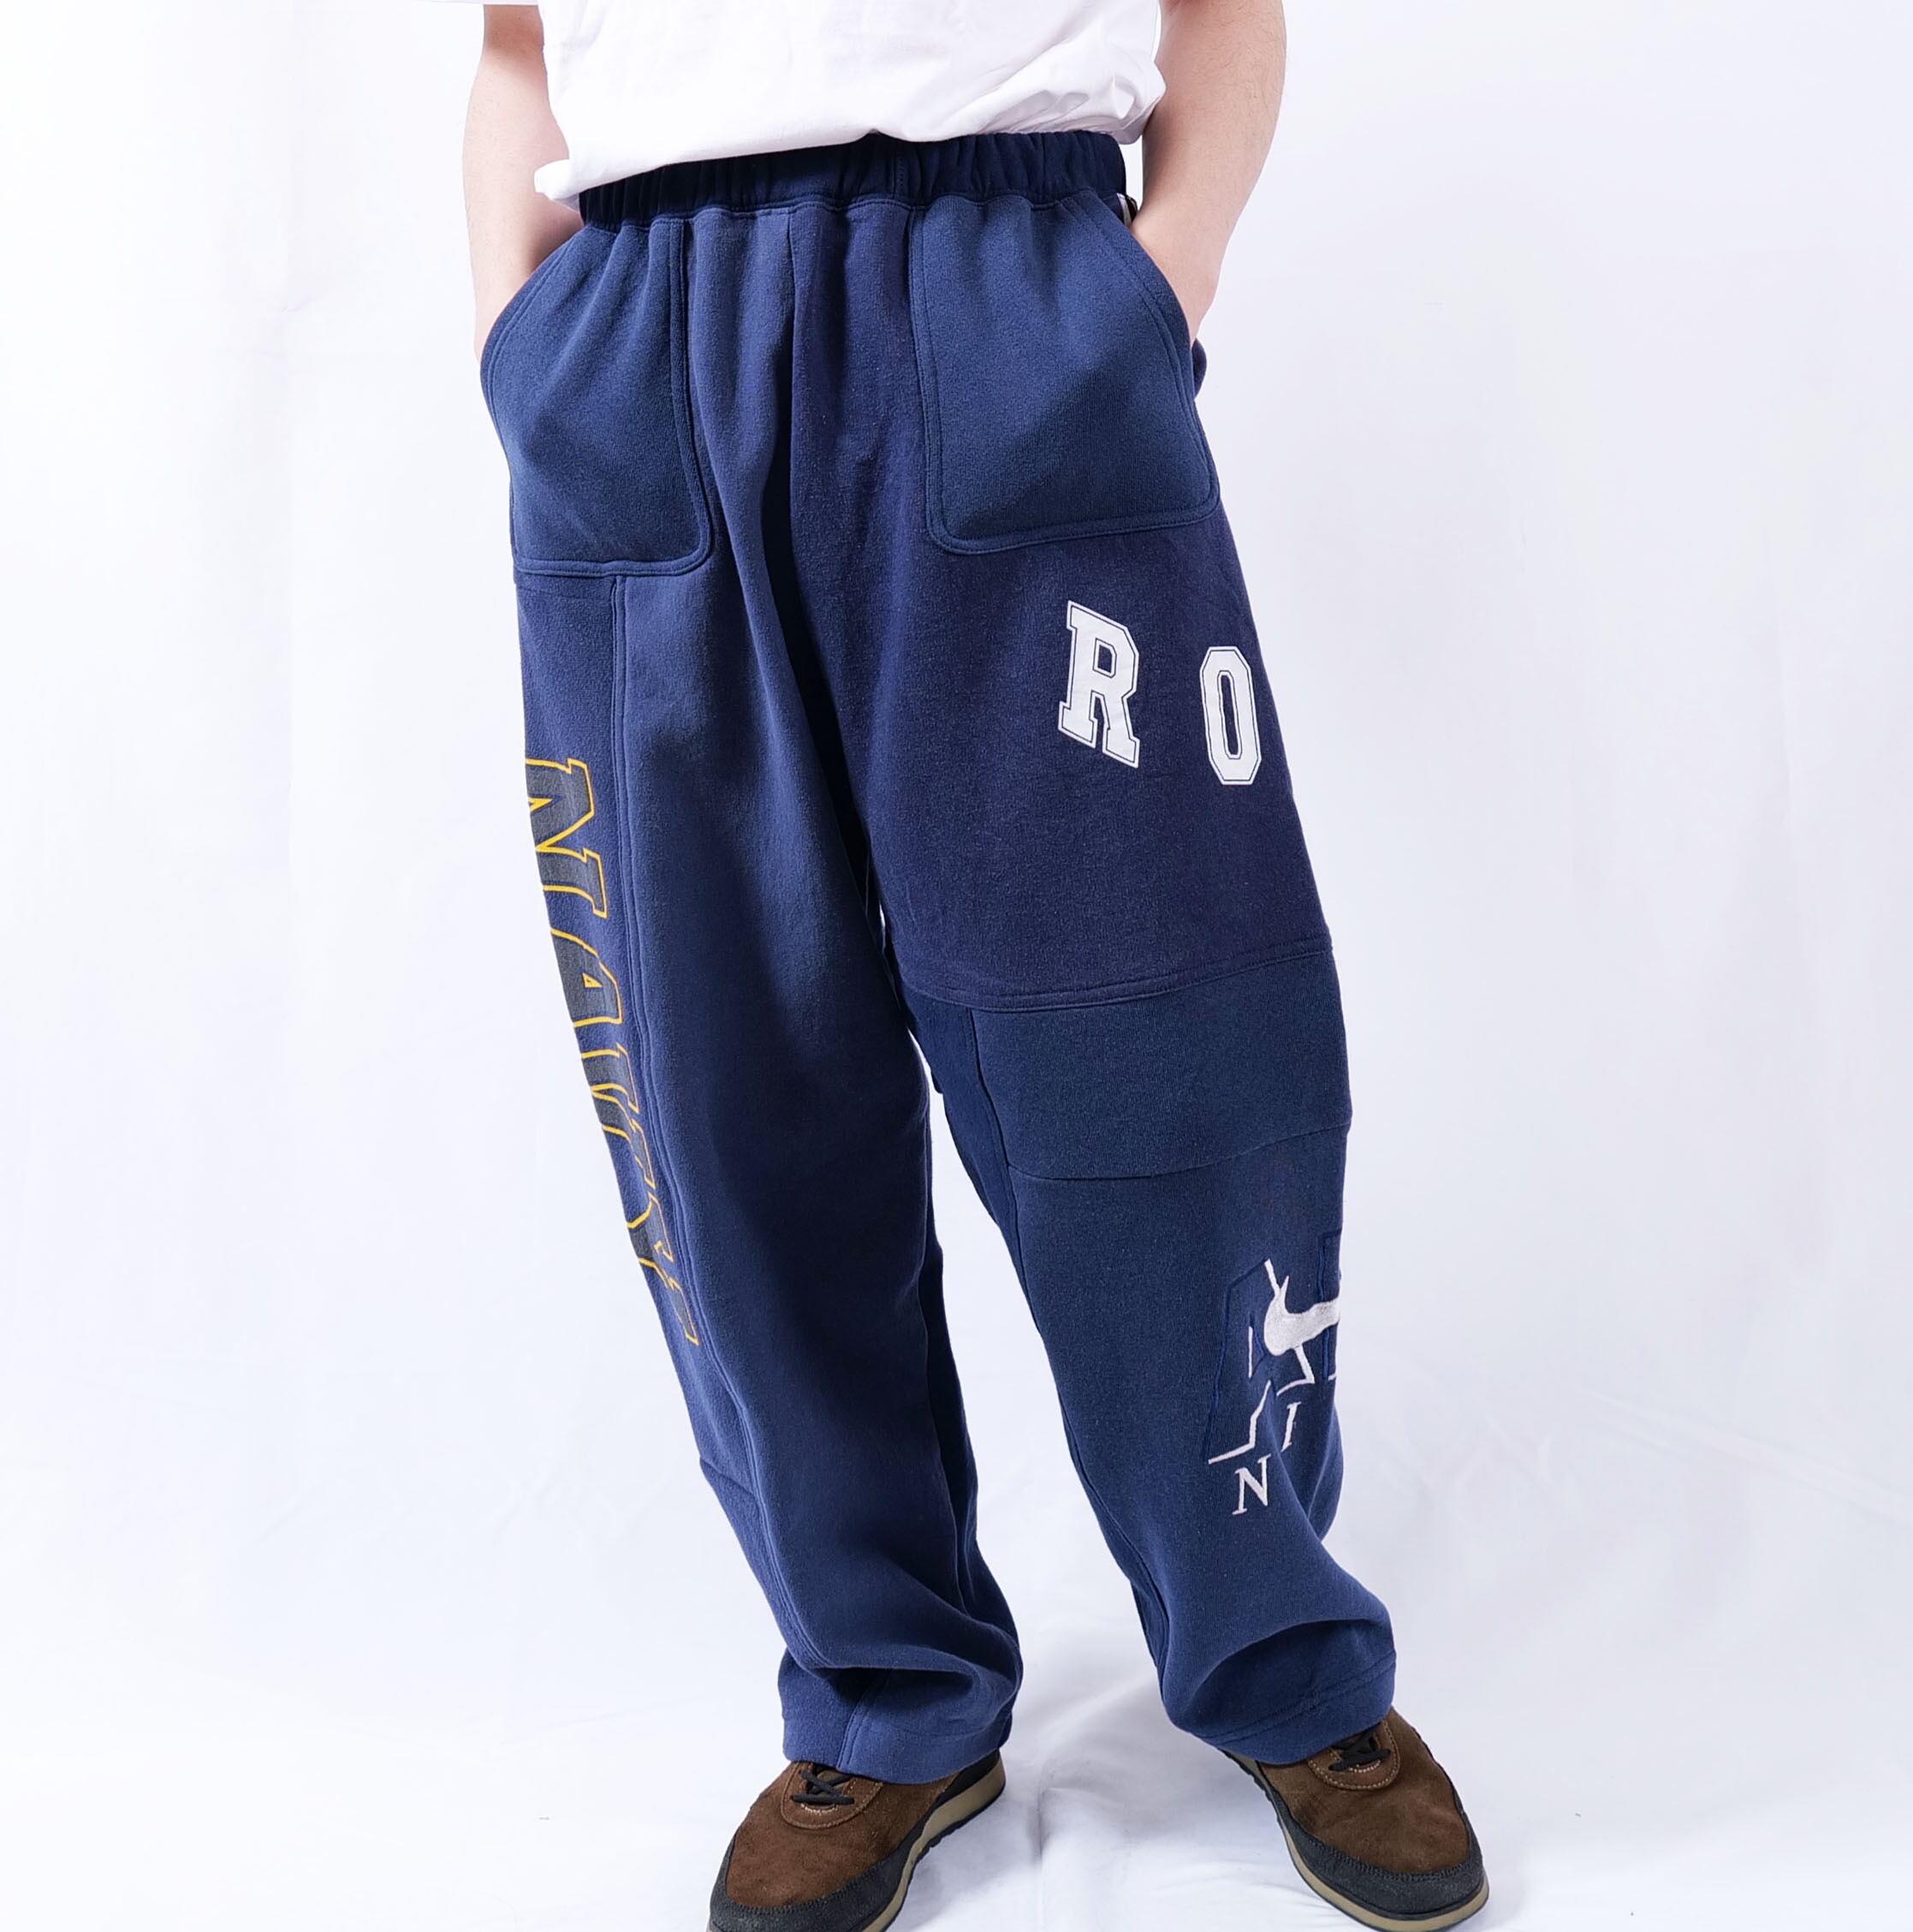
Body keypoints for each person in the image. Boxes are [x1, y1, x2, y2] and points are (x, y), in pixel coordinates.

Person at [458, 4, 1488, 1928]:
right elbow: (520, 42)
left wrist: (1151, 290)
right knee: (720, 1076)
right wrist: (522, 342)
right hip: (642, 336)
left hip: (1010, 284)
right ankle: (886, 1693)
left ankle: (1282, 1659)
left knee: (1159, 1038)